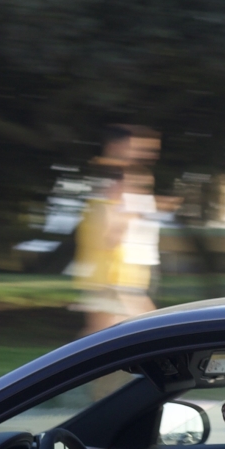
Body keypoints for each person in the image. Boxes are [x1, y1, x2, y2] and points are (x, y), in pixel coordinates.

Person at [71, 125, 164, 333]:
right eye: (136, 146)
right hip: (114, 274)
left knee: (101, 337)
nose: (145, 153)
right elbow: (108, 234)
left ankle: (76, 363)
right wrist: (128, 216)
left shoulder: (122, 176)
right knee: (148, 331)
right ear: (116, 145)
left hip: (122, 274)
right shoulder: (112, 179)